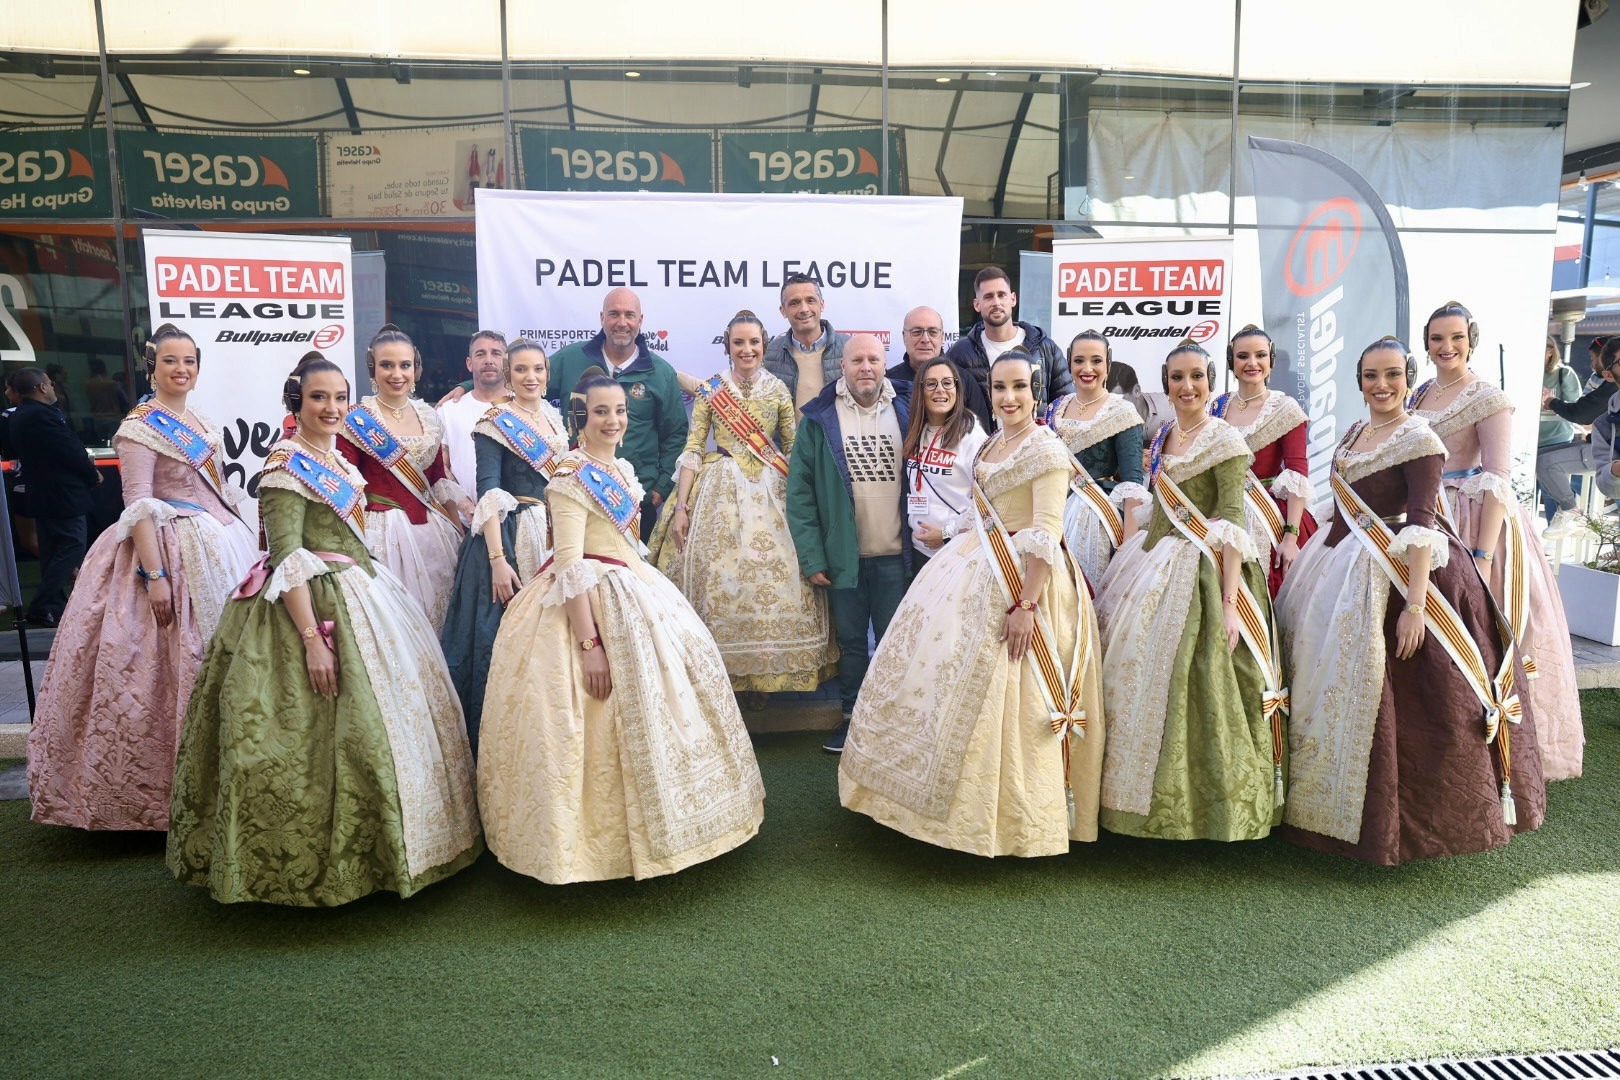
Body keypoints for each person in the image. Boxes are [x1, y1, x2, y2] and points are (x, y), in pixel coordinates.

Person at [167, 357, 481, 906]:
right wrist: (314, 640)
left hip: (363, 590)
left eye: (339, 397)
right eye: (319, 398)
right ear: (297, 403)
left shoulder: (335, 459)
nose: (332, 408)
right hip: (305, 610)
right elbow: (287, 557)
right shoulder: (286, 468)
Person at [476, 370, 765, 884]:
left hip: (635, 589)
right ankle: (592, 852)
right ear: (580, 419)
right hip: (584, 604)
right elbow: (568, 565)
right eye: (601, 413)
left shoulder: (621, 468)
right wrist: (590, 645)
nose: (613, 421)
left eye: (620, 412)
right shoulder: (569, 476)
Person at [1277, 338, 1545, 864]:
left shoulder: (1419, 437)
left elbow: (1424, 523)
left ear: (1407, 376)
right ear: (1358, 381)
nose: (1382, 385)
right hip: (1338, 564)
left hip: (1402, 578)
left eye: (1393, 375)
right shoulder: (1356, 432)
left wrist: (1418, 606)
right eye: (1371, 375)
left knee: (1408, 702)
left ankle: (1393, 823)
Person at [840, 350, 1106, 856]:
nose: (1009, 398)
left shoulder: (1046, 448)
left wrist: (1027, 606)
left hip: (1028, 583)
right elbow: (976, 514)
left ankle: (1006, 820)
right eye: (1000, 389)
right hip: (971, 561)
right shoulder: (992, 446)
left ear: (1035, 393)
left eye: (1019, 389)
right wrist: (948, 531)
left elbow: (1047, 532)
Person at [27, 325, 259, 831]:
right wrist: (155, 576)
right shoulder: (138, 427)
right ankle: (161, 796)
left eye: (190, 361)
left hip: (220, 545)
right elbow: (138, 503)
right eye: (171, 361)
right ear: (152, 366)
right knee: (161, 666)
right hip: (167, 550)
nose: (181, 369)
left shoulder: (197, 418)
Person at [1094, 340, 1285, 842]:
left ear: (1211, 380)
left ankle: (1205, 812)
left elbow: (1233, 520)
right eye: (1177, 378)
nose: (1187, 387)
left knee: (1200, 685)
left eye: (1197, 376)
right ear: (1166, 382)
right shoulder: (1165, 436)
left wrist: (1228, 605)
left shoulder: (1224, 439)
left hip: (1206, 573)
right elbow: (1160, 511)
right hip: (1154, 562)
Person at [1411, 300, 1583, 781]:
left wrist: (1482, 557)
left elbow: (1497, 479)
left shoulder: (1488, 397)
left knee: (1482, 630)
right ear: (1426, 343)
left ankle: (1505, 751)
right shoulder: (1419, 393)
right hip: (1430, 517)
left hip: (1475, 523)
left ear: (1472, 341)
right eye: (1438, 338)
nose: (1447, 347)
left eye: (1456, 338)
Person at [651, 311, 839, 695]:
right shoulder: (713, 389)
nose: (747, 349)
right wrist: (682, 507)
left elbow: (792, 448)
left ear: (764, 345)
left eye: (754, 342)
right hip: (718, 484)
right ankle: (724, 679)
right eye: (739, 342)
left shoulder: (778, 390)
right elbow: (693, 448)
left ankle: (767, 680)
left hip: (773, 486)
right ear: (728, 346)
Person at [438, 339, 568, 753]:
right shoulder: (495, 421)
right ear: (509, 376)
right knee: (502, 642)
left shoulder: (552, 416)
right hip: (509, 540)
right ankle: (503, 744)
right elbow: (489, 491)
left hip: (552, 535)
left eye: (538, 370)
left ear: (547, 374)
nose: (531, 378)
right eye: (521, 370)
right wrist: (497, 559)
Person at [787, 334, 912, 753]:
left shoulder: (909, 409)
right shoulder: (819, 417)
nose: (866, 367)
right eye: (857, 359)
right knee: (854, 644)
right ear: (843, 365)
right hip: (844, 557)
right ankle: (851, 719)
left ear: (884, 363)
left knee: (898, 642)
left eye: (874, 359)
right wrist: (812, 555)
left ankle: (894, 722)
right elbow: (800, 494)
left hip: (899, 554)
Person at [336, 325, 472, 630]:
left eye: (404, 365)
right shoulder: (357, 418)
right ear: (373, 368)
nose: (396, 374)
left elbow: (438, 479)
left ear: (416, 369)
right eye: (387, 365)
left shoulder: (429, 416)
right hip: (379, 533)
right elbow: (348, 488)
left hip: (431, 532)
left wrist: (459, 537)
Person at [546, 287, 687, 541]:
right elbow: (524, 384)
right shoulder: (570, 359)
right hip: (575, 495)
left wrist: (662, 485)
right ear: (602, 318)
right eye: (614, 314)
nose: (622, 323)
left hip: (634, 500)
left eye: (629, 315)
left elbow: (675, 432)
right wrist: (468, 386)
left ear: (640, 320)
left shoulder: (660, 373)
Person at [1209, 325, 1318, 596]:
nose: (1252, 363)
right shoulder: (1216, 407)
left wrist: (1290, 537)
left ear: (1271, 361)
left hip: (1268, 516)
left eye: (1260, 355)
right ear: (1231, 362)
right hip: (1222, 511)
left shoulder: (1285, 408)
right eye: (1243, 356)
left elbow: (1297, 473)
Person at [1046, 330, 1147, 586]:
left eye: (1096, 360)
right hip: (1052, 514)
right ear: (1069, 362)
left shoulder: (1122, 411)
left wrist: (1127, 546)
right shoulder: (1054, 408)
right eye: (1079, 360)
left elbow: (1133, 483)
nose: (1087, 368)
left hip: (1096, 521)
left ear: (1108, 363)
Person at [7, 367, 101, 627]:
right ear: (41, 387)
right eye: (48, 383)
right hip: (62, 495)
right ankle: (43, 605)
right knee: (71, 547)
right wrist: (91, 474)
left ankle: (55, 608)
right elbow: (68, 449)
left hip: (44, 494)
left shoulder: (23, 415)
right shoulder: (42, 416)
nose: (52, 387)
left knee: (52, 551)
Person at [945, 266, 1073, 429]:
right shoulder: (960, 353)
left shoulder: (1045, 347)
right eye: (989, 297)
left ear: (1013, 299)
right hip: (984, 449)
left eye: (1001, 295)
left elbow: (1066, 405)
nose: (996, 303)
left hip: (1037, 448)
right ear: (977, 304)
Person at [902, 355, 988, 573]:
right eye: (931, 384)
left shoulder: (971, 435)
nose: (940, 390)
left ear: (957, 389)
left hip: (957, 551)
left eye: (947, 383)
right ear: (920, 391)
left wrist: (946, 533)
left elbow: (988, 501)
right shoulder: (916, 432)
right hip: (919, 553)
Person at [438, 330, 511, 504]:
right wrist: (464, 505)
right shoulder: (448, 411)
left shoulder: (523, 409)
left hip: (515, 521)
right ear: (469, 363)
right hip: (463, 522)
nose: (488, 360)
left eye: (496, 353)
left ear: (506, 363)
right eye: (480, 354)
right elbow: (440, 466)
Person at [762, 273, 851, 410]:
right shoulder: (768, 354)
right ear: (783, 311)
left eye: (810, 300)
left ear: (822, 304)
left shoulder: (850, 348)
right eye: (794, 303)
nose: (804, 309)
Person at [886, 305, 990, 422]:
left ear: (942, 337)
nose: (925, 339)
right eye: (916, 332)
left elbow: (982, 434)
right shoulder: (888, 383)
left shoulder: (964, 380)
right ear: (904, 337)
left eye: (933, 332)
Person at [1538, 335, 1590, 537]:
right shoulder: (1527, 372)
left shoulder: (1564, 373)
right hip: (1530, 437)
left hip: (1557, 437)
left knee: (1551, 490)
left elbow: (1574, 407)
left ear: (1550, 351)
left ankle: (1556, 536)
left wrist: (1551, 400)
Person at [83, 357, 130, 443]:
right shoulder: (112, 383)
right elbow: (125, 399)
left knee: (102, 443)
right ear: (104, 369)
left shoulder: (88, 384)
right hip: (113, 418)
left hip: (97, 419)